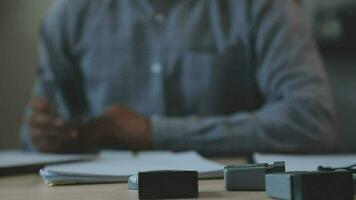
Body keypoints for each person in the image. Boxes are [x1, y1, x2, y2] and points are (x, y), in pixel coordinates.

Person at [21, 0, 336, 155]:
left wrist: (154, 132)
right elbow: (34, 134)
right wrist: (44, 136)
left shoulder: (262, 6)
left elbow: (312, 120)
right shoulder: (68, 16)